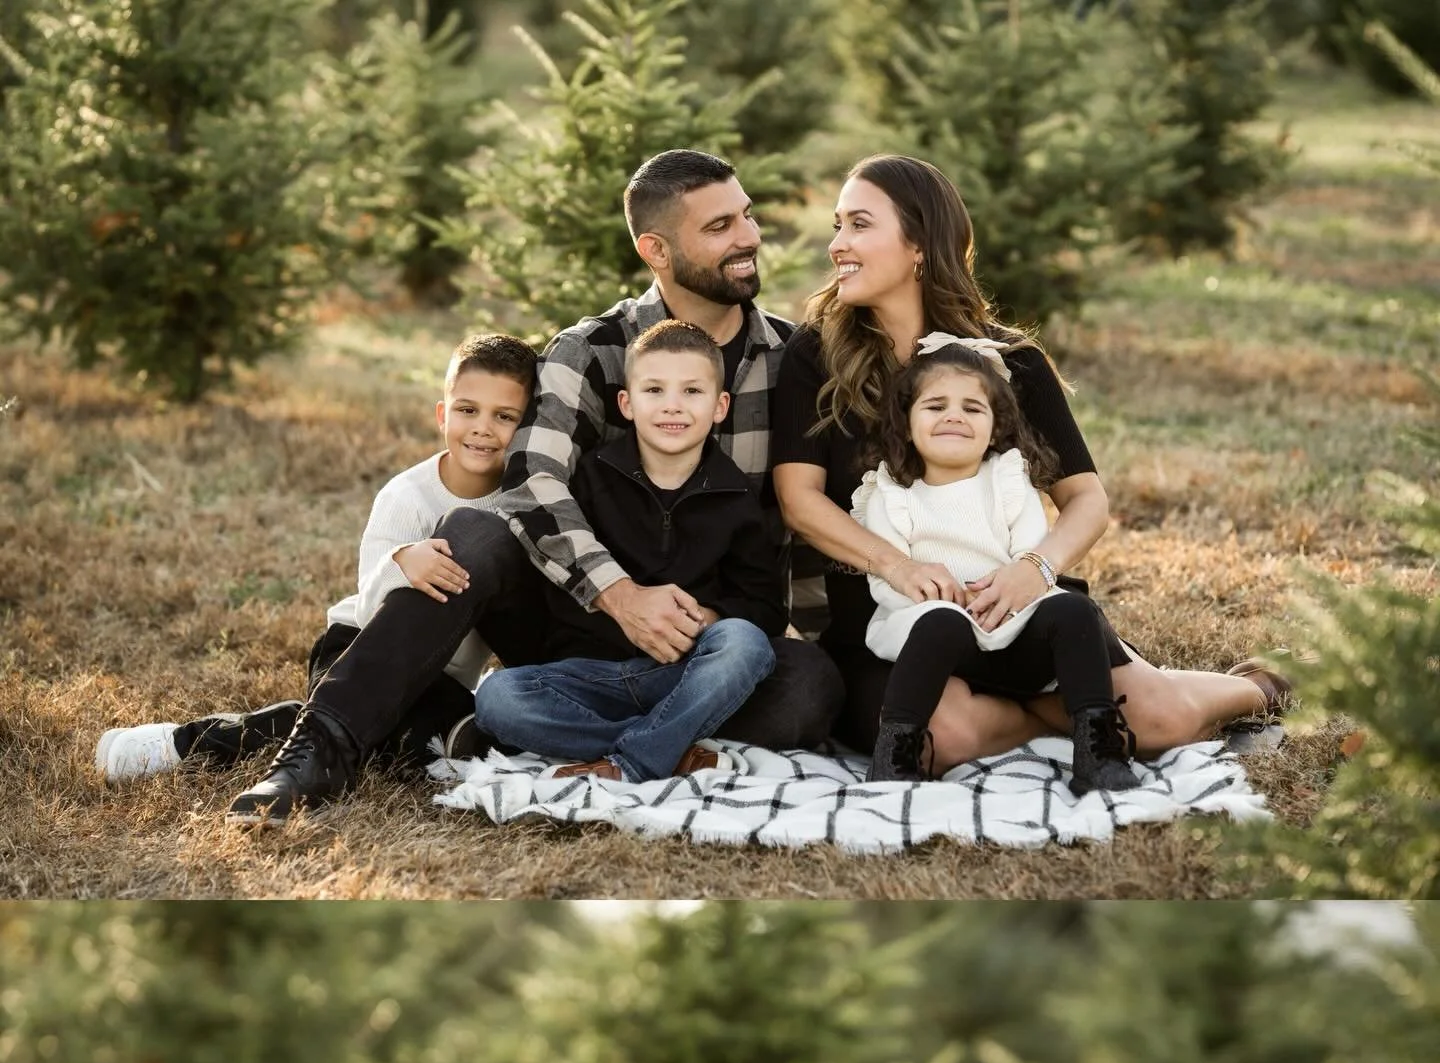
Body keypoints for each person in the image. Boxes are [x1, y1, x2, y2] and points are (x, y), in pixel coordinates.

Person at [225, 148, 844, 824]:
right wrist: (618, 594)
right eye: (720, 226)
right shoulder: (593, 349)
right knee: (474, 534)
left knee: (808, 689)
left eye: (747, 216)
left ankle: (625, 747)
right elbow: (531, 479)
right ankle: (319, 747)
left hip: (707, 648)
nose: (750, 236)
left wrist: (779, 637)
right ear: (656, 249)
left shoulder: (791, 362)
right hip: (576, 634)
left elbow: (804, 510)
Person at [771, 155, 1294, 768]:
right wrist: (896, 565)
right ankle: (1072, 719)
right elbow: (797, 498)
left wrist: (1035, 570)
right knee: (944, 740)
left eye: (858, 225)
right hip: (891, 620)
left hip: (1019, 609)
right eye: (838, 225)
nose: (837, 245)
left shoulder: (1012, 362)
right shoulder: (816, 355)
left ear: (919, 244)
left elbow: (1087, 501)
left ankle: (1259, 686)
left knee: (1163, 721)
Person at [95, 334, 536, 788]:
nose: (483, 428)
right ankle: (188, 743)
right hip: (354, 650)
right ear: (443, 415)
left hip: (443, 681)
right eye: (468, 410)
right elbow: (369, 602)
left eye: (504, 417)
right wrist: (404, 563)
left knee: (450, 742)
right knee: (388, 735)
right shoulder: (408, 497)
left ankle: (378, 734)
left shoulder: (522, 500)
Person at [473, 322, 783, 782]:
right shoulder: (591, 479)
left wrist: (700, 620)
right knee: (498, 696)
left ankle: (629, 762)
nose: (672, 405)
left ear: (720, 407)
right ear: (626, 403)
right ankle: (668, 747)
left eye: (692, 391)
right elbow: (559, 582)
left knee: (745, 644)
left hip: (681, 674)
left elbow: (765, 607)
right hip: (586, 675)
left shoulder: (736, 497)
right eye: (654, 389)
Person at [858, 335, 1141, 794]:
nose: (954, 415)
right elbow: (886, 581)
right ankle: (895, 753)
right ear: (907, 424)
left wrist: (1002, 593)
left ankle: (1097, 747)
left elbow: (1028, 557)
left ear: (995, 426)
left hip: (1008, 615)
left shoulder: (1008, 479)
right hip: (932, 634)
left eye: (973, 408)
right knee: (941, 623)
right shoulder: (891, 492)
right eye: (935, 407)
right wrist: (941, 597)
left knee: (1074, 610)